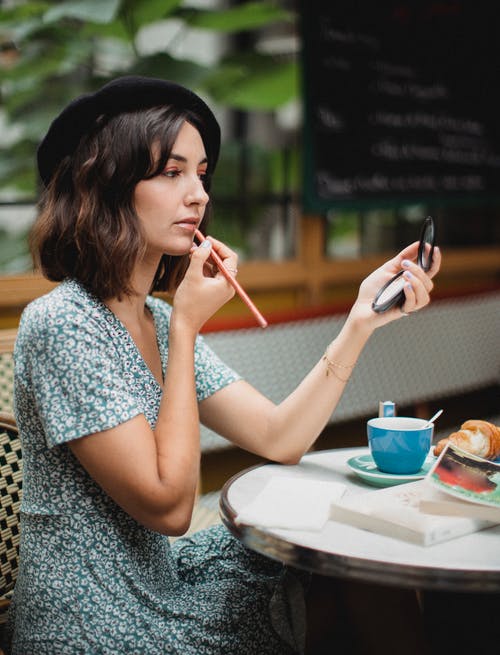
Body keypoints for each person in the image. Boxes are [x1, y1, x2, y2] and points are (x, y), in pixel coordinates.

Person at [3, 76, 440, 655]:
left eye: (202, 173)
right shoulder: (62, 323)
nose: (198, 195)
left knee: (353, 558)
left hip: (163, 582)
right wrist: (186, 326)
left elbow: (279, 437)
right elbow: (170, 507)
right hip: (95, 620)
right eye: (171, 172)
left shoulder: (155, 321)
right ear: (106, 186)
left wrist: (361, 320)